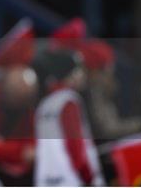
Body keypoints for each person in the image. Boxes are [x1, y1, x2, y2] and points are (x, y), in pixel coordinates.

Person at [33, 50, 104, 187]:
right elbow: (76, 147)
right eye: (79, 70)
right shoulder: (68, 101)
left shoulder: (44, 105)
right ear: (70, 74)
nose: (83, 75)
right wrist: (89, 178)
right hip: (72, 180)